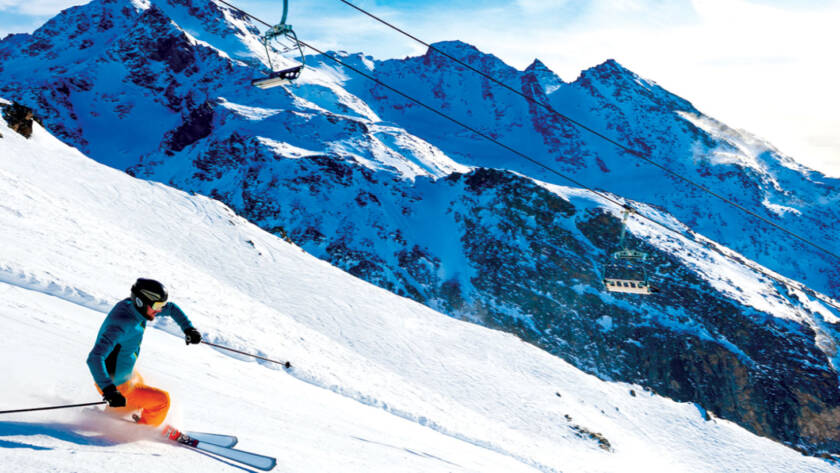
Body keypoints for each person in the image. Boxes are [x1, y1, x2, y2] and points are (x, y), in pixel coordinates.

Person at [87, 278, 202, 427]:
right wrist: (109, 390)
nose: (160, 309)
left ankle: (115, 413)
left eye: (161, 305)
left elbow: (171, 308)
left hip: (124, 376)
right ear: (142, 302)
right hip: (118, 386)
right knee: (162, 401)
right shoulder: (121, 324)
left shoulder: (135, 309)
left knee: (140, 381)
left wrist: (189, 329)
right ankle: (145, 428)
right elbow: (95, 357)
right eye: (157, 305)